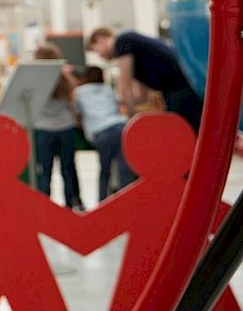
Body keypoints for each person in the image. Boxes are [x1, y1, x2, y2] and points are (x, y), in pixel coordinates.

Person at [86, 27, 203, 132]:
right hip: (175, 91)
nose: (100, 56)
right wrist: (116, 102)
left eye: (96, 51)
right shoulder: (133, 52)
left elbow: (124, 86)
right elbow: (141, 97)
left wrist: (130, 119)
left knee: (184, 134)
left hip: (181, 89)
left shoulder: (122, 41)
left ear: (99, 39)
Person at [31, 44, 84, 211]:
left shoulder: (35, 82)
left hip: (43, 130)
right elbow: (73, 106)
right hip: (66, 128)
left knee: (44, 171)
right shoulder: (66, 80)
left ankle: (44, 206)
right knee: (68, 169)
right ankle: (72, 203)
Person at [72, 65, 135, 202]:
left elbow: (75, 114)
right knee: (124, 169)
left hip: (101, 133)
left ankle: (102, 203)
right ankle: (128, 202)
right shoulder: (108, 90)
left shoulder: (79, 92)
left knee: (104, 171)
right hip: (121, 127)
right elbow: (117, 107)